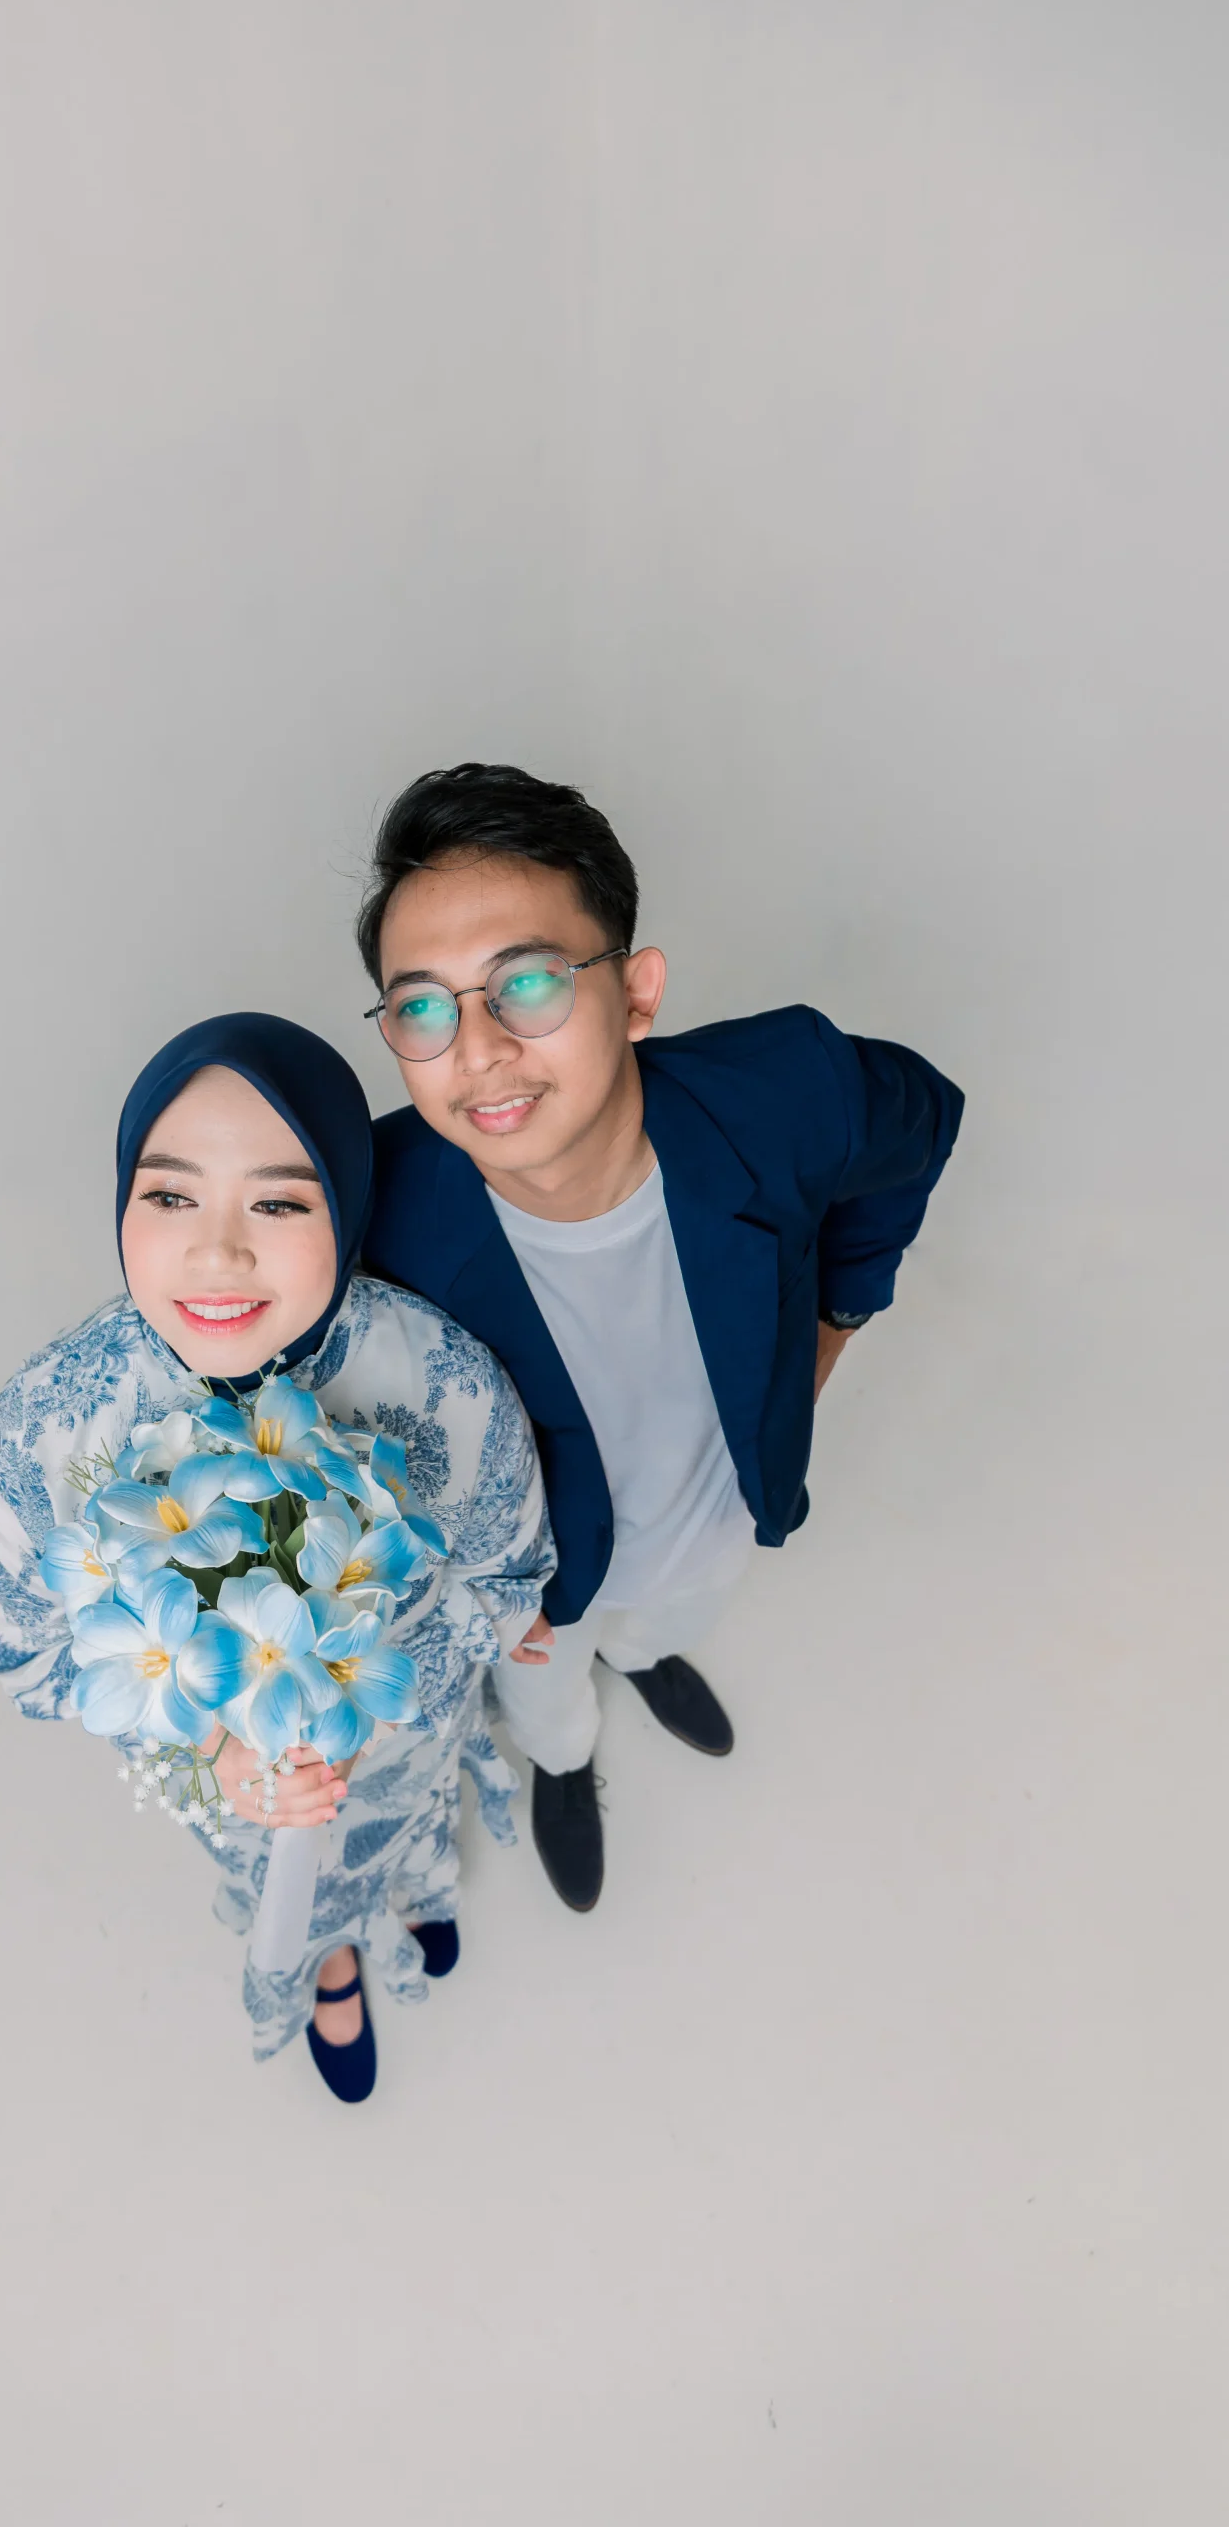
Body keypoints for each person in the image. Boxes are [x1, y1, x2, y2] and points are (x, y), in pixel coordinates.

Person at [358, 763, 964, 1913]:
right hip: (538, 1590)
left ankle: (643, 1658)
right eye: (422, 1006)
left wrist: (838, 1316)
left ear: (635, 993)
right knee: (546, 1696)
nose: (474, 1051)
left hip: (717, 1509)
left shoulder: (793, 1092)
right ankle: (564, 1760)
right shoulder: (372, 1217)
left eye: (524, 983)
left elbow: (918, 1124)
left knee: (673, 1613)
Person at [0, 1013, 554, 2101]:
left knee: (398, 1826)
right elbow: (35, 1664)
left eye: (279, 1202)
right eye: (169, 1196)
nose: (217, 1252)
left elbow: (505, 1577)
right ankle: (328, 1961)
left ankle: (414, 1885)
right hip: (235, 1788)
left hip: (395, 1740)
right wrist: (213, 1751)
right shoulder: (45, 1424)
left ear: (348, 1202)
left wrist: (367, 1709)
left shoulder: (442, 1377)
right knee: (292, 1881)